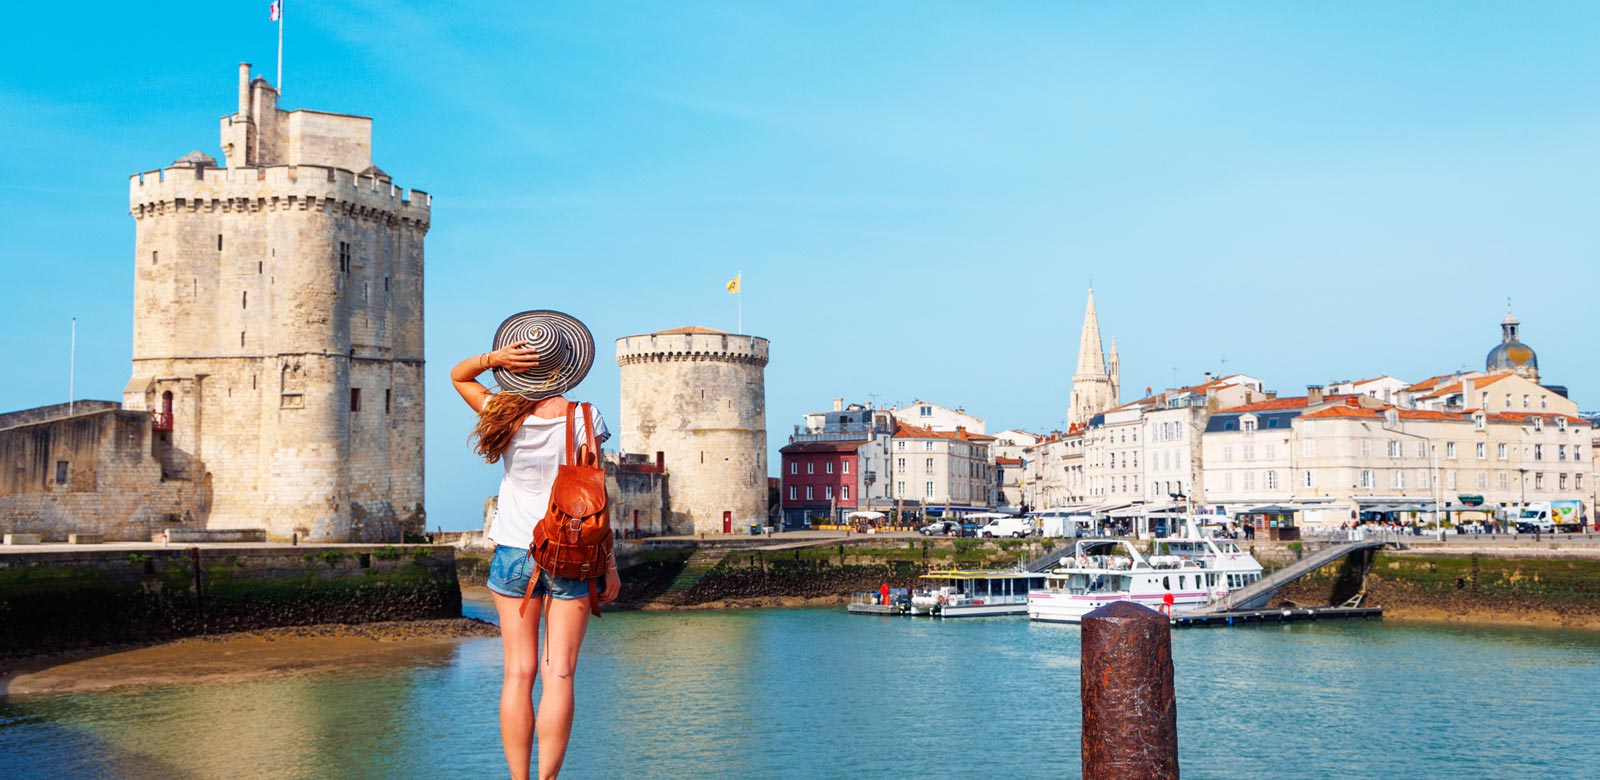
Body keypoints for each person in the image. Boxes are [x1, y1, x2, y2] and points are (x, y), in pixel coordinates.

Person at [452, 310, 620, 780]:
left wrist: (492, 358)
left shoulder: (501, 412)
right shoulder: (585, 416)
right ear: (566, 364)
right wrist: (610, 565)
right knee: (559, 674)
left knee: (517, 673)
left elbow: (457, 375)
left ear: (516, 366)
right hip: (572, 553)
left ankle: (518, 779)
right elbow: (597, 500)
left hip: (512, 553)